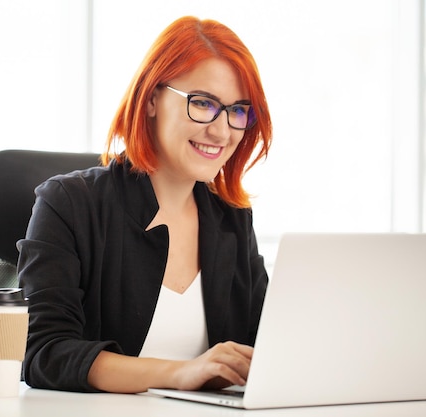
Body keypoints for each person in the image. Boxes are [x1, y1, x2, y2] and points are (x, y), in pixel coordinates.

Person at [17, 15, 273, 393]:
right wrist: (180, 373)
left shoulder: (232, 220)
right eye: (202, 103)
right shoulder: (69, 204)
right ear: (152, 99)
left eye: (237, 111)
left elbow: (266, 346)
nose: (221, 131)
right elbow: (44, 353)